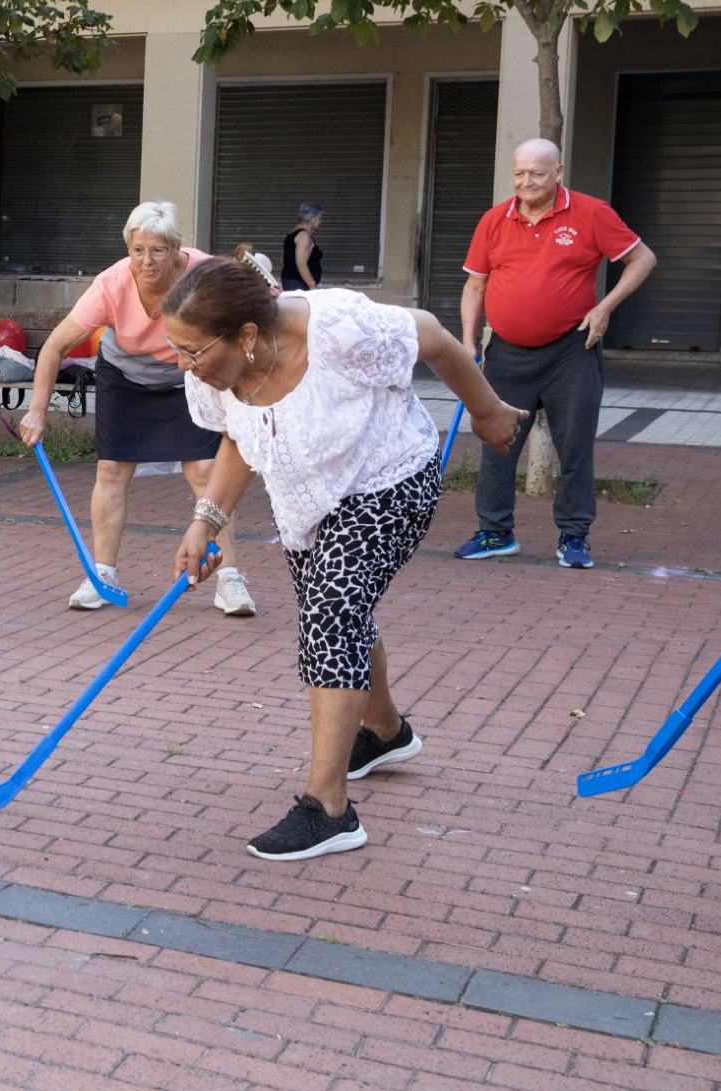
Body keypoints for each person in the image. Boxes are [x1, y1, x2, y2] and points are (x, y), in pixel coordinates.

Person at [165, 258, 524, 861]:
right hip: (308, 503)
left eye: (192, 350)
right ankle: (385, 732)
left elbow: (433, 336)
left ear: (247, 337)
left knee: (332, 613)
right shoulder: (213, 369)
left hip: (389, 480)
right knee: (340, 612)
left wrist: (487, 413)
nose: (183, 362)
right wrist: (207, 520)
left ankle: (328, 808)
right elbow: (237, 437)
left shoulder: (340, 331)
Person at [19, 201, 256, 617]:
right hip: (125, 375)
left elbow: (248, 320)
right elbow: (55, 345)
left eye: (158, 250)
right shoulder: (111, 284)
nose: (147, 261)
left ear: (177, 249)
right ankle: (102, 575)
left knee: (205, 470)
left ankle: (229, 578)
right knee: (111, 470)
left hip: (188, 374)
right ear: (128, 247)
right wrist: (37, 409)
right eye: (138, 250)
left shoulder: (202, 274)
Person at [455, 138, 657, 570]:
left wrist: (605, 307)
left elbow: (642, 258)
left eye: (537, 173)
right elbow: (475, 285)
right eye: (519, 174)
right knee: (497, 443)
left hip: (572, 350)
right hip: (506, 354)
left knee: (575, 447)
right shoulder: (494, 220)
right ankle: (495, 532)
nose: (526, 182)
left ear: (559, 172)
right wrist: (468, 343)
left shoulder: (592, 213)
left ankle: (573, 537)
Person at [280, 203, 323, 292]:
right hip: (299, 284)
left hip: (291, 281)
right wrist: (312, 285)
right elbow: (301, 263)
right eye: (319, 218)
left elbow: (283, 260)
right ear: (311, 218)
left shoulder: (292, 233)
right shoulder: (304, 236)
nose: (321, 221)